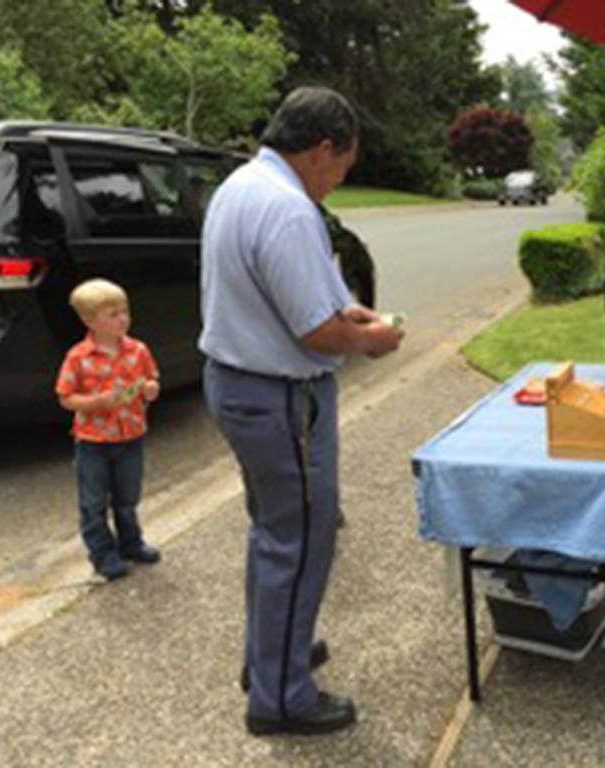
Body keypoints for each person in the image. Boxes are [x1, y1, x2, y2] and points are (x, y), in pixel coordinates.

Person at [198, 87, 403, 737]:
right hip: (281, 398)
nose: (338, 182)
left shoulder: (241, 185)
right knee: (300, 541)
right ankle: (281, 698)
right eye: (342, 167)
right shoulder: (289, 209)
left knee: (271, 533)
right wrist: (373, 339)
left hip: (237, 385)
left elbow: (306, 301)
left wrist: (350, 315)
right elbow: (317, 329)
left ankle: (269, 656)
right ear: (321, 150)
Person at [55, 278, 162, 581]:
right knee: (93, 502)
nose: (123, 319)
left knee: (127, 497)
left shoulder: (138, 351)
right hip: (94, 441)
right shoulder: (78, 357)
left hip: (131, 436)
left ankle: (131, 543)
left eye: (124, 311)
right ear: (89, 320)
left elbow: (151, 379)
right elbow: (65, 397)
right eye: (113, 314)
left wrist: (151, 389)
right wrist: (95, 402)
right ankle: (103, 554)